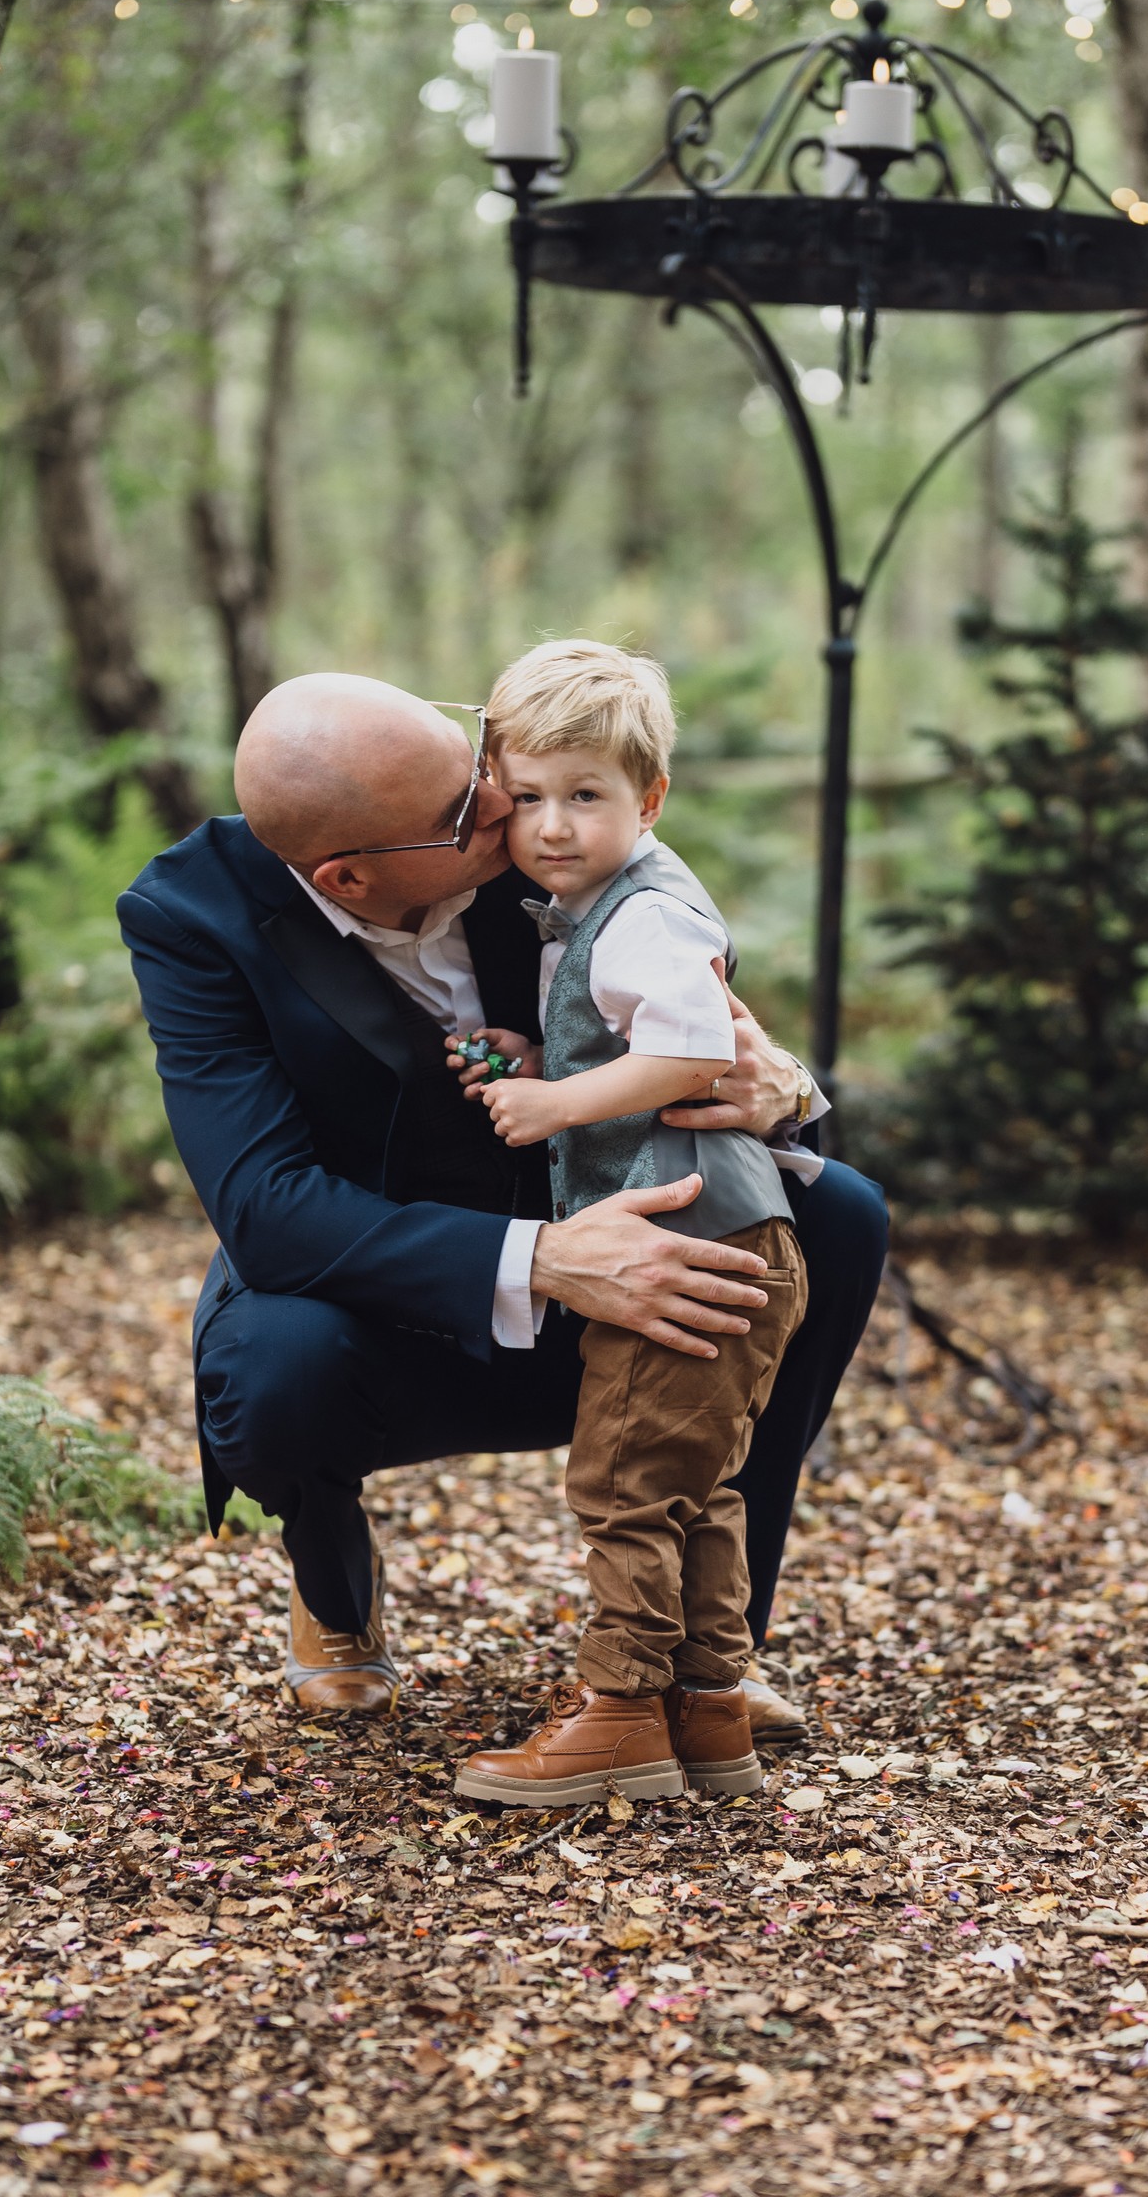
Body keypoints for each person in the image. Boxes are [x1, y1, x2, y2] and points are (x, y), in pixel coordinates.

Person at [116, 673, 887, 1739]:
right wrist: (545, 1260)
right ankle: (332, 1583)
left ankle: (704, 1658)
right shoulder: (191, 919)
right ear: (346, 877)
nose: (504, 805)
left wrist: (787, 1087)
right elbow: (266, 1205)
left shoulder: (542, 828)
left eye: (477, 762)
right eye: (465, 808)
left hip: (604, 1212)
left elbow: (691, 1022)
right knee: (268, 1375)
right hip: (383, 1287)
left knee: (833, 1219)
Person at [448, 642, 807, 1809]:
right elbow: (636, 1044)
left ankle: (618, 1714)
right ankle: (706, 1713)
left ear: (646, 799)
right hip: (727, 1233)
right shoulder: (595, 906)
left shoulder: (644, 910)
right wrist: (547, 1057)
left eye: (586, 797)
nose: (552, 826)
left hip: (690, 1235)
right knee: (692, 1488)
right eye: (530, 798)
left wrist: (554, 1103)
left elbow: (696, 1050)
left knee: (621, 1485)